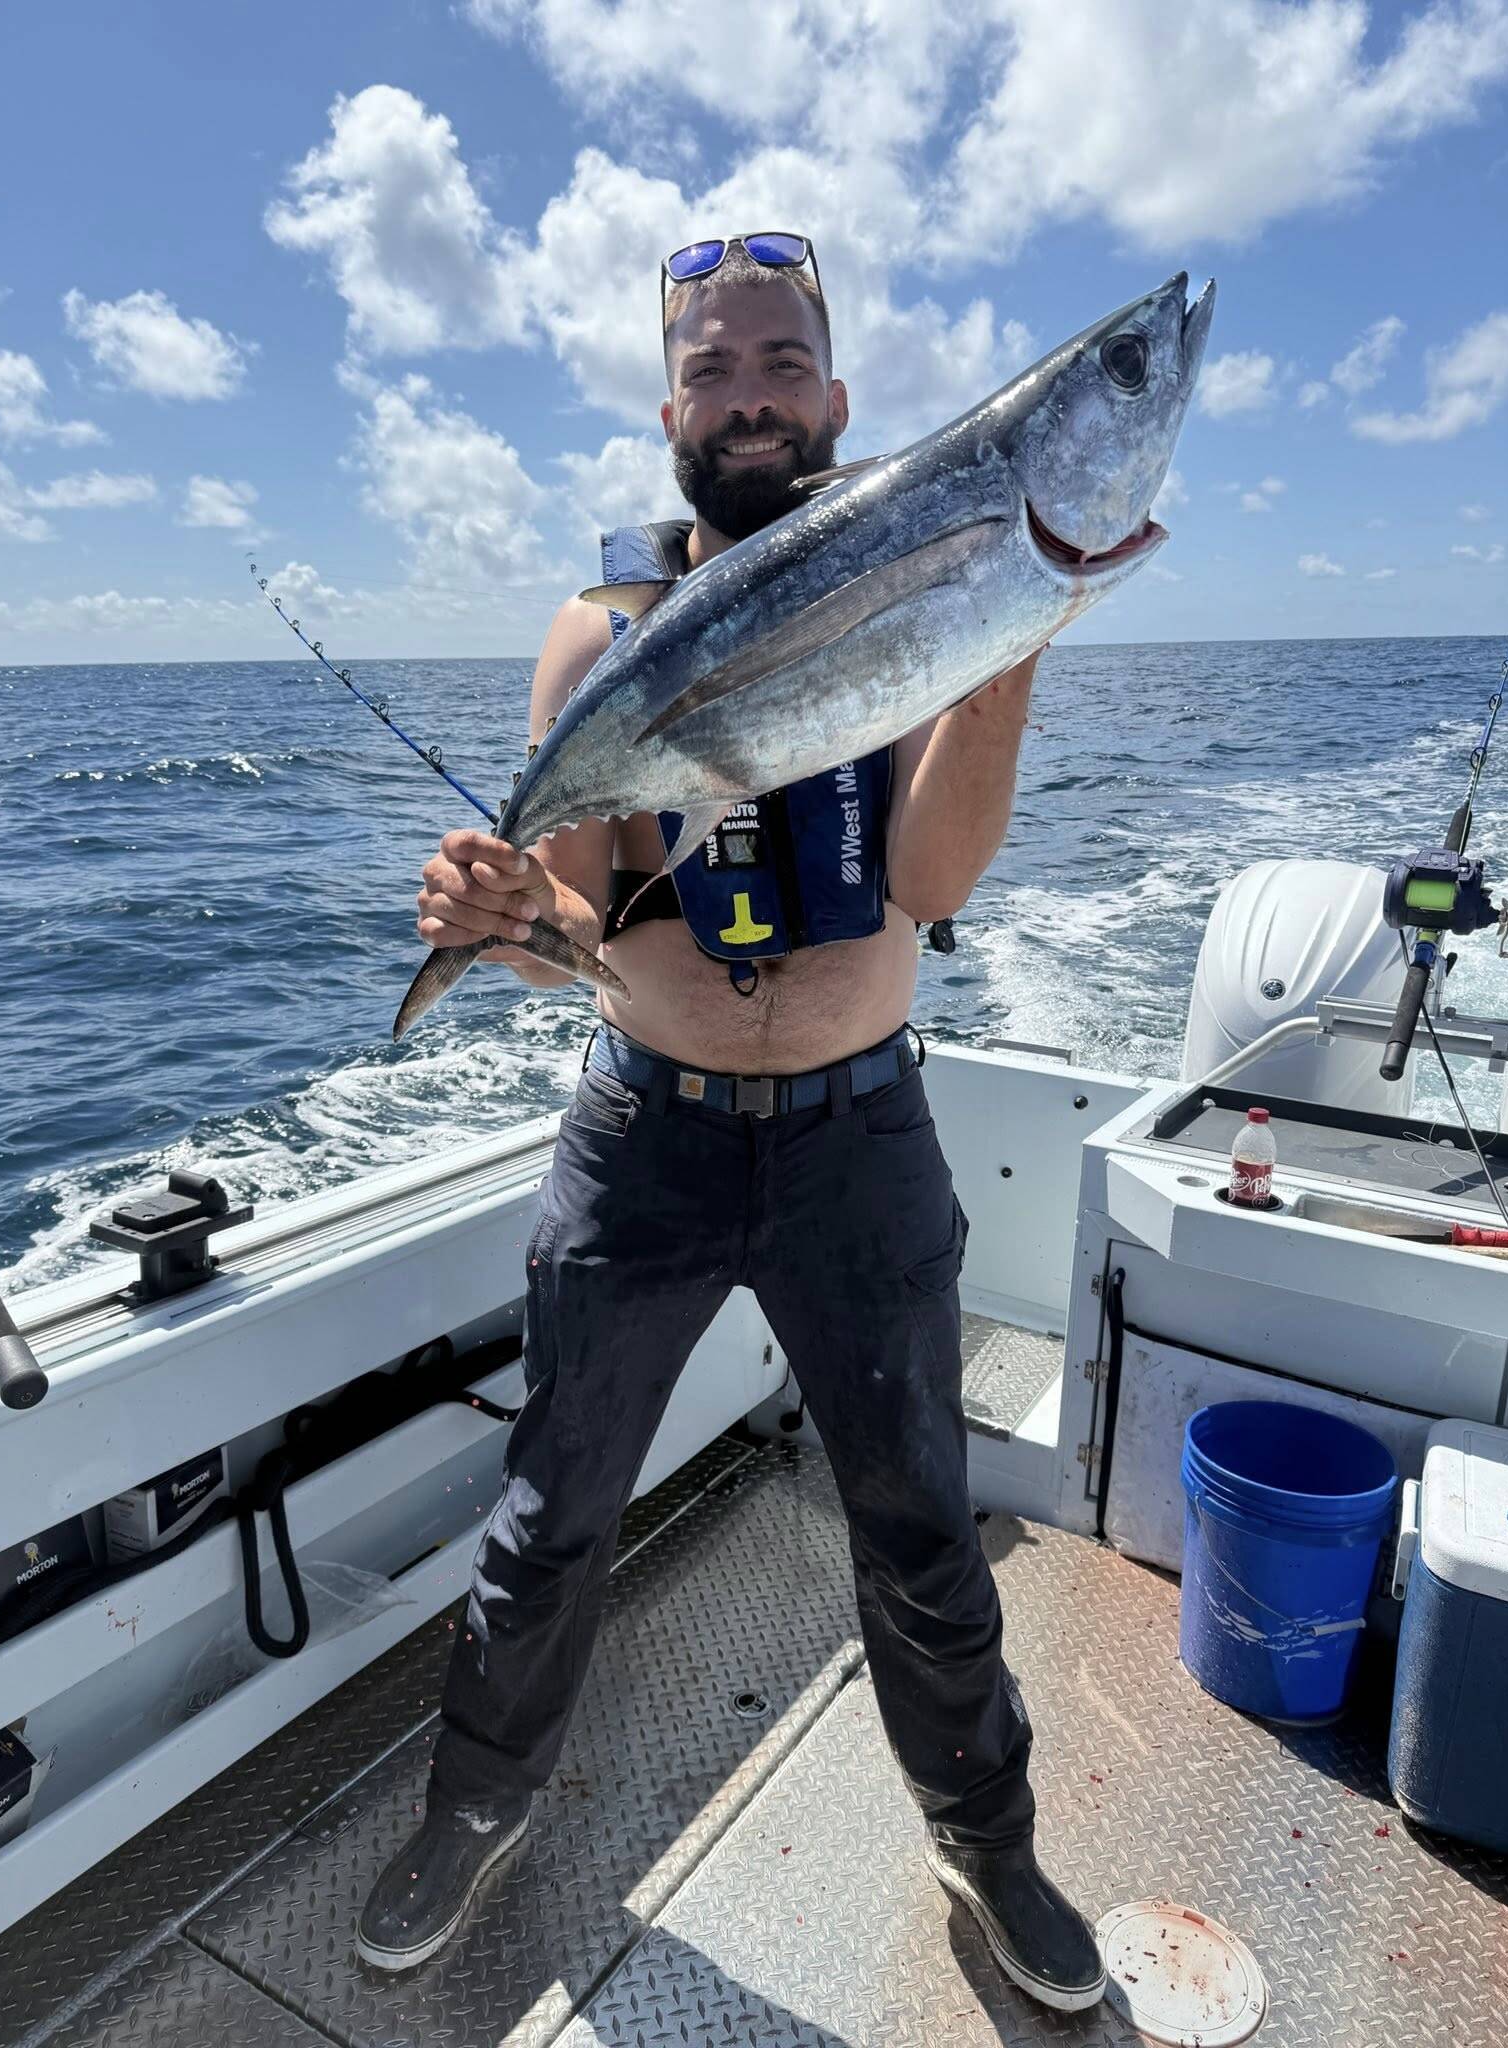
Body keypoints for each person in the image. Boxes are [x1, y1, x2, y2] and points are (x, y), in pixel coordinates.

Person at [356, 231, 1104, 2014]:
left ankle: (983, 1835)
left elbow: (925, 873)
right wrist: (490, 912)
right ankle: (479, 1808)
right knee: (549, 1515)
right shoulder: (602, 630)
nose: (750, 393)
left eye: (781, 362)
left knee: (920, 1523)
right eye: (713, 367)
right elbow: (574, 931)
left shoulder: (928, 577)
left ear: (836, 401)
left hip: (860, 1135)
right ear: (671, 409)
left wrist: (1007, 637)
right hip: (648, 1135)